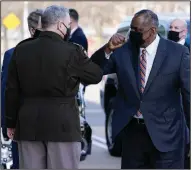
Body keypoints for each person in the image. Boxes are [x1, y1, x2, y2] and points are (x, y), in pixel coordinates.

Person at [5, 5, 102, 169]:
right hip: (62, 126)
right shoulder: (72, 51)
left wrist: (10, 123)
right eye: (67, 25)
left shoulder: (21, 49)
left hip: (28, 124)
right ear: (59, 25)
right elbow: (95, 75)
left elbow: (11, 90)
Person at [91, 9, 190, 169]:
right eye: (132, 29)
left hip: (167, 136)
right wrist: (108, 49)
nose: (133, 33)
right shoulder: (123, 51)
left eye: (138, 30)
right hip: (133, 136)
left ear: (152, 31)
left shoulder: (177, 53)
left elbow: (188, 95)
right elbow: (93, 71)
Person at [1, 9, 43, 169]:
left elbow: (6, 90)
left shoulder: (13, 53)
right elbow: (6, 90)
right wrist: (6, 124)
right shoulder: (12, 54)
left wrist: (6, 125)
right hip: (23, 124)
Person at [168, 18, 190, 169]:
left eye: (176, 28)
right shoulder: (164, 48)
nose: (173, 30)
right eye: (171, 27)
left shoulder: (188, 49)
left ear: (185, 32)